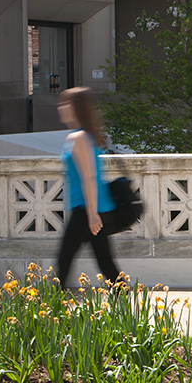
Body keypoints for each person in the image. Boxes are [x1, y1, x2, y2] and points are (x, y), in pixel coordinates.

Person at [55, 86, 120, 288]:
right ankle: (127, 302)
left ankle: (52, 310)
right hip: (94, 209)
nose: (61, 108)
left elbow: (89, 176)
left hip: (86, 210)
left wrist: (92, 214)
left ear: (76, 108)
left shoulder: (78, 138)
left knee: (63, 262)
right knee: (106, 263)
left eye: (65, 103)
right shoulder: (86, 136)